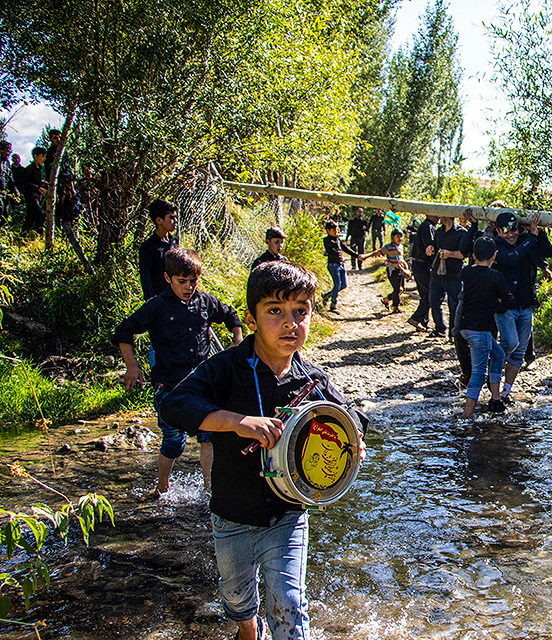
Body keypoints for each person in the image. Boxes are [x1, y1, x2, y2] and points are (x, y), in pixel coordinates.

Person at [159, 260, 366, 640]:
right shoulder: (225, 368)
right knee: (238, 598)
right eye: (275, 311)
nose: (290, 323)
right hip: (230, 512)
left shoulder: (313, 380)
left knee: (289, 602)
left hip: (287, 515)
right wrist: (237, 422)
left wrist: (355, 442)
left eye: (300, 312)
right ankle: (247, 627)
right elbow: (175, 404)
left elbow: (352, 418)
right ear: (250, 319)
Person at [113, 247, 244, 496]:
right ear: (167, 279)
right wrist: (132, 366)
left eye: (193, 281)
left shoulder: (205, 302)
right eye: (181, 281)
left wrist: (236, 342)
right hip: (169, 386)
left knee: (209, 437)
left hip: (203, 385)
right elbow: (123, 332)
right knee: (173, 441)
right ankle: (162, 489)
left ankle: (210, 491)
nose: (188, 287)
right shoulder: (157, 307)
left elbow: (231, 316)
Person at [461, 209, 552, 403]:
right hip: (505, 308)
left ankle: (505, 392)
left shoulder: (524, 240)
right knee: (509, 344)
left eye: (514, 229)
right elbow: (512, 257)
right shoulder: (495, 247)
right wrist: (531, 237)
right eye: (505, 230)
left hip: (526, 304)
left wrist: (538, 231)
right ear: (497, 231)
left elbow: (549, 252)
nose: (511, 234)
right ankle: (492, 377)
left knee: (519, 352)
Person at [458, 236, 517, 417]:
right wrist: (498, 302)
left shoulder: (467, 272)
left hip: (465, 326)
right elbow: (509, 300)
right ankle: (467, 415)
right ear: (494, 255)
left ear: (474, 256)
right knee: (478, 372)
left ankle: (496, 400)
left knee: (498, 355)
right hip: (480, 330)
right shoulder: (496, 277)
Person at [426, 215, 468, 339]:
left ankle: (453, 334)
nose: (439, 216)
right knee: (433, 302)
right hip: (437, 274)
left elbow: (464, 254)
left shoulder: (461, 233)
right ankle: (440, 329)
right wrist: (430, 247)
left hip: (454, 275)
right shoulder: (438, 231)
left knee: (454, 305)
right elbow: (434, 245)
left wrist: (449, 254)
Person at [358, 228, 412, 312]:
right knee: (397, 289)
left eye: (401, 236)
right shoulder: (388, 247)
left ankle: (386, 300)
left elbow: (401, 259)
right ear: (393, 237)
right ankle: (395, 307)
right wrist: (366, 256)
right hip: (392, 270)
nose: (400, 238)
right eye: (397, 236)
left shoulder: (400, 247)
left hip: (400, 270)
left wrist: (406, 268)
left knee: (402, 289)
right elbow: (378, 252)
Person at [138, 199, 179, 300]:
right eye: (171, 218)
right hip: (159, 298)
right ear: (159, 220)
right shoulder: (148, 247)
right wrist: (152, 303)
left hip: (176, 296)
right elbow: (146, 279)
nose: (175, 221)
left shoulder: (174, 241)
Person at [407, 214, 437, 331]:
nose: (438, 218)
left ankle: (423, 322)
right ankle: (416, 318)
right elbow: (429, 246)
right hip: (422, 264)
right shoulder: (426, 226)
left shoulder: (428, 226)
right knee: (430, 293)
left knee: (425, 294)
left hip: (421, 264)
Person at [320, 219, 355, 312]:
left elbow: (346, 249)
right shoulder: (327, 240)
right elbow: (331, 249)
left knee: (343, 285)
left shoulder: (337, 240)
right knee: (337, 284)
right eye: (334, 230)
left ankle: (327, 295)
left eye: (337, 230)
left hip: (340, 264)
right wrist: (336, 240)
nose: (336, 232)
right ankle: (333, 304)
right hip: (333, 264)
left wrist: (357, 255)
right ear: (328, 230)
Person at [19, 147, 47, 234]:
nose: (44, 159)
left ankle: (23, 234)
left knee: (30, 217)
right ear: (35, 156)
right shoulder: (29, 169)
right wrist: (38, 188)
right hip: (30, 195)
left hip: (37, 195)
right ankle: (39, 232)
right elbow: (25, 183)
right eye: (42, 156)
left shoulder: (39, 169)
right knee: (39, 214)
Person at [0, 141, 17, 225]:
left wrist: (14, 190)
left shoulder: (7, 163)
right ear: (1, 150)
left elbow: (10, 178)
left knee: (5, 215)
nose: (9, 152)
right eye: (7, 150)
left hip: (4, 192)